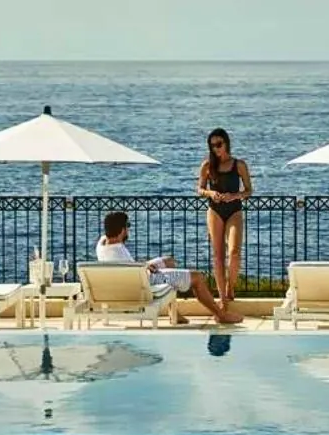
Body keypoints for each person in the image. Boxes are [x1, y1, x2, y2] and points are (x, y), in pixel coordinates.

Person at [96, 211, 241, 325]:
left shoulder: (102, 244)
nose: (128, 230)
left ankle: (174, 314)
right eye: (127, 226)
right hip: (145, 284)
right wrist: (144, 268)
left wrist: (144, 265)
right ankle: (221, 315)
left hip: (134, 276)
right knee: (197, 277)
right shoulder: (118, 251)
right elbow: (135, 275)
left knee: (169, 261)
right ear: (122, 230)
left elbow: (128, 267)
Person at [197, 128, 252, 306]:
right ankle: (222, 298)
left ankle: (230, 286)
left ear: (226, 143)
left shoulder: (239, 165)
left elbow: (249, 190)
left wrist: (234, 196)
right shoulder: (207, 165)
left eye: (219, 144)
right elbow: (200, 189)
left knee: (234, 252)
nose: (216, 148)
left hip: (234, 210)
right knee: (218, 256)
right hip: (215, 211)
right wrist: (211, 193)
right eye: (212, 145)